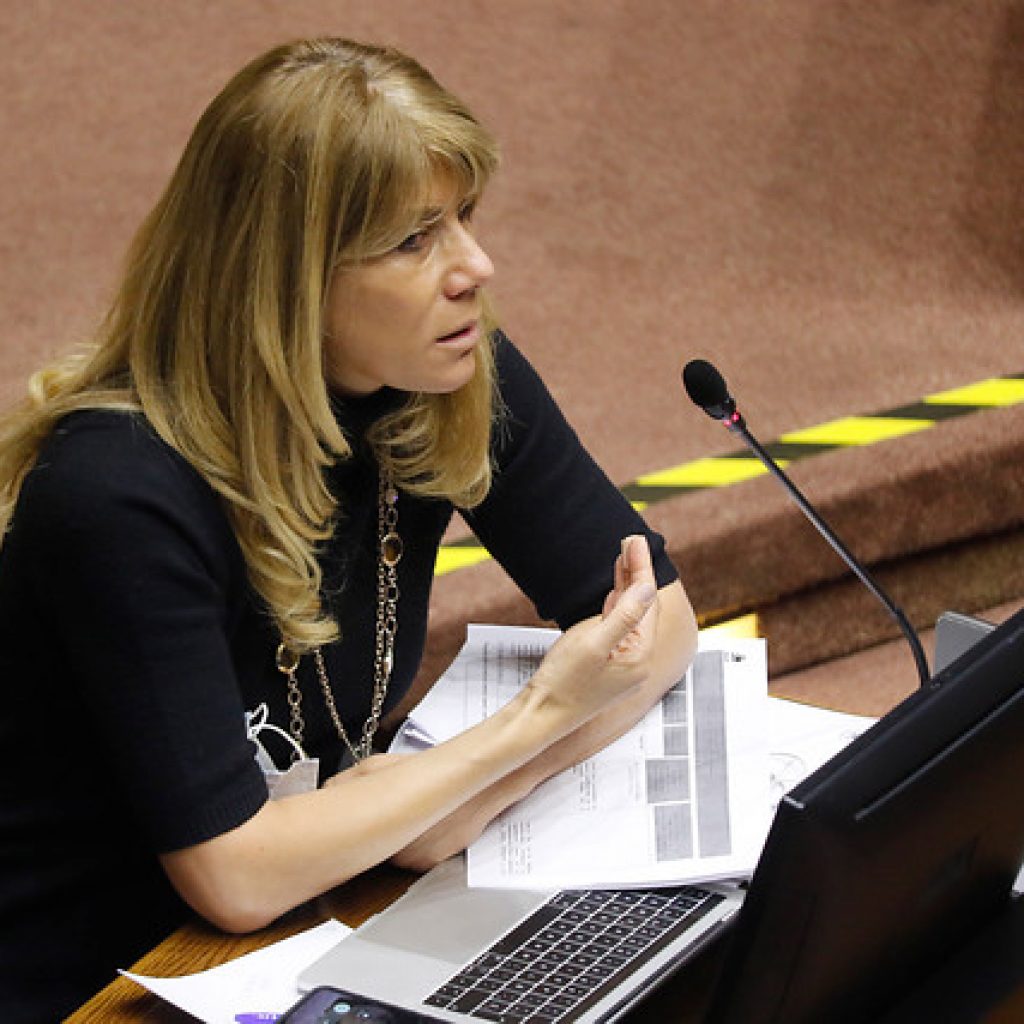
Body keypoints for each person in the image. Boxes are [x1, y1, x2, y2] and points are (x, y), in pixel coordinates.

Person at [0, 37, 697, 1021]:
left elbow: (659, 620)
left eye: (464, 217)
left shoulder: (444, 373)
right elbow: (234, 873)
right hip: (106, 977)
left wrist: (454, 801)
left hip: (315, 914)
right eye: (414, 240)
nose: (475, 267)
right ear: (287, 279)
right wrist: (536, 720)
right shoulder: (115, 494)